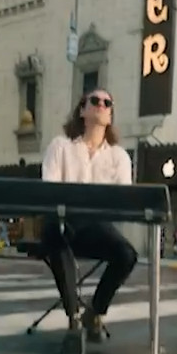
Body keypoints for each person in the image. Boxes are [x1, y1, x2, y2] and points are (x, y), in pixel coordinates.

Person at [38, 89, 138, 339]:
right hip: (62, 222)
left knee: (127, 254)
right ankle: (73, 314)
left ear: (111, 113)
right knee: (55, 233)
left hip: (94, 227)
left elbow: (121, 201)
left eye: (107, 103)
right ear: (82, 110)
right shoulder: (60, 146)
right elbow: (49, 191)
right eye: (95, 101)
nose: (101, 105)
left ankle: (95, 311)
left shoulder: (120, 157)